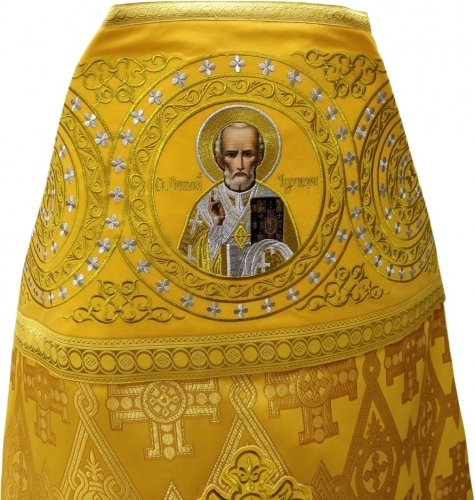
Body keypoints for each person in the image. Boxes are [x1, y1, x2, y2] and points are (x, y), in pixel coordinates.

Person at [178, 122, 299, 276]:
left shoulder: (269, 200)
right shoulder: (205, 205)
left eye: (247, 154)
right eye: (231, 155)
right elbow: (188, 264)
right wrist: (217, 226)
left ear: (259, 158)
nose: (240, 165)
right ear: (220, 160)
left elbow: (290, 261)